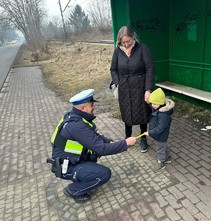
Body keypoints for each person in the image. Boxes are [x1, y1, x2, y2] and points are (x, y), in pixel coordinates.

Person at [49, 89, 137, 203]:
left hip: (72, 160)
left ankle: (82, 176)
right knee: (104, 174)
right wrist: (126, 143)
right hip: (67, 167)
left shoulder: (75, 117)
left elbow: (93, 136)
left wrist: (108, 141)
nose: (93, 107)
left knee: (93, 157)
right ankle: (73, 190)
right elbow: (101, 149)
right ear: (83, 108)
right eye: (91, 105)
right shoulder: (76, 126)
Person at [110, 25, 154, 153]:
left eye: (128, 41)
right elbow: (113, 69)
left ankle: (143, 138)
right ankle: (128, 137)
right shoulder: (117, 51)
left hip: (140, 87)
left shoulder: (142, 49)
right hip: (124, 88)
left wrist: (148, 89)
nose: (126, 44)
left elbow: (150, 69)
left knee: (143, 113)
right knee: (127, 112)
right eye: (123, 42)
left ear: (133, 37)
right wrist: (118, 83)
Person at [143, 88, 175, 171]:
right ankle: (167, 157)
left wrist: (150, 133)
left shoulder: (164, 115)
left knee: (160, 148)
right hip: (159, 135)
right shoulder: (158, 106)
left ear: (160, 103)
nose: (153, 105)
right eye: (152, 103)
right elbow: (152, 105)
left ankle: (161, 162)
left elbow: (161, 128)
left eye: (155, 104)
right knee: (163, 146)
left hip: (161, 135)